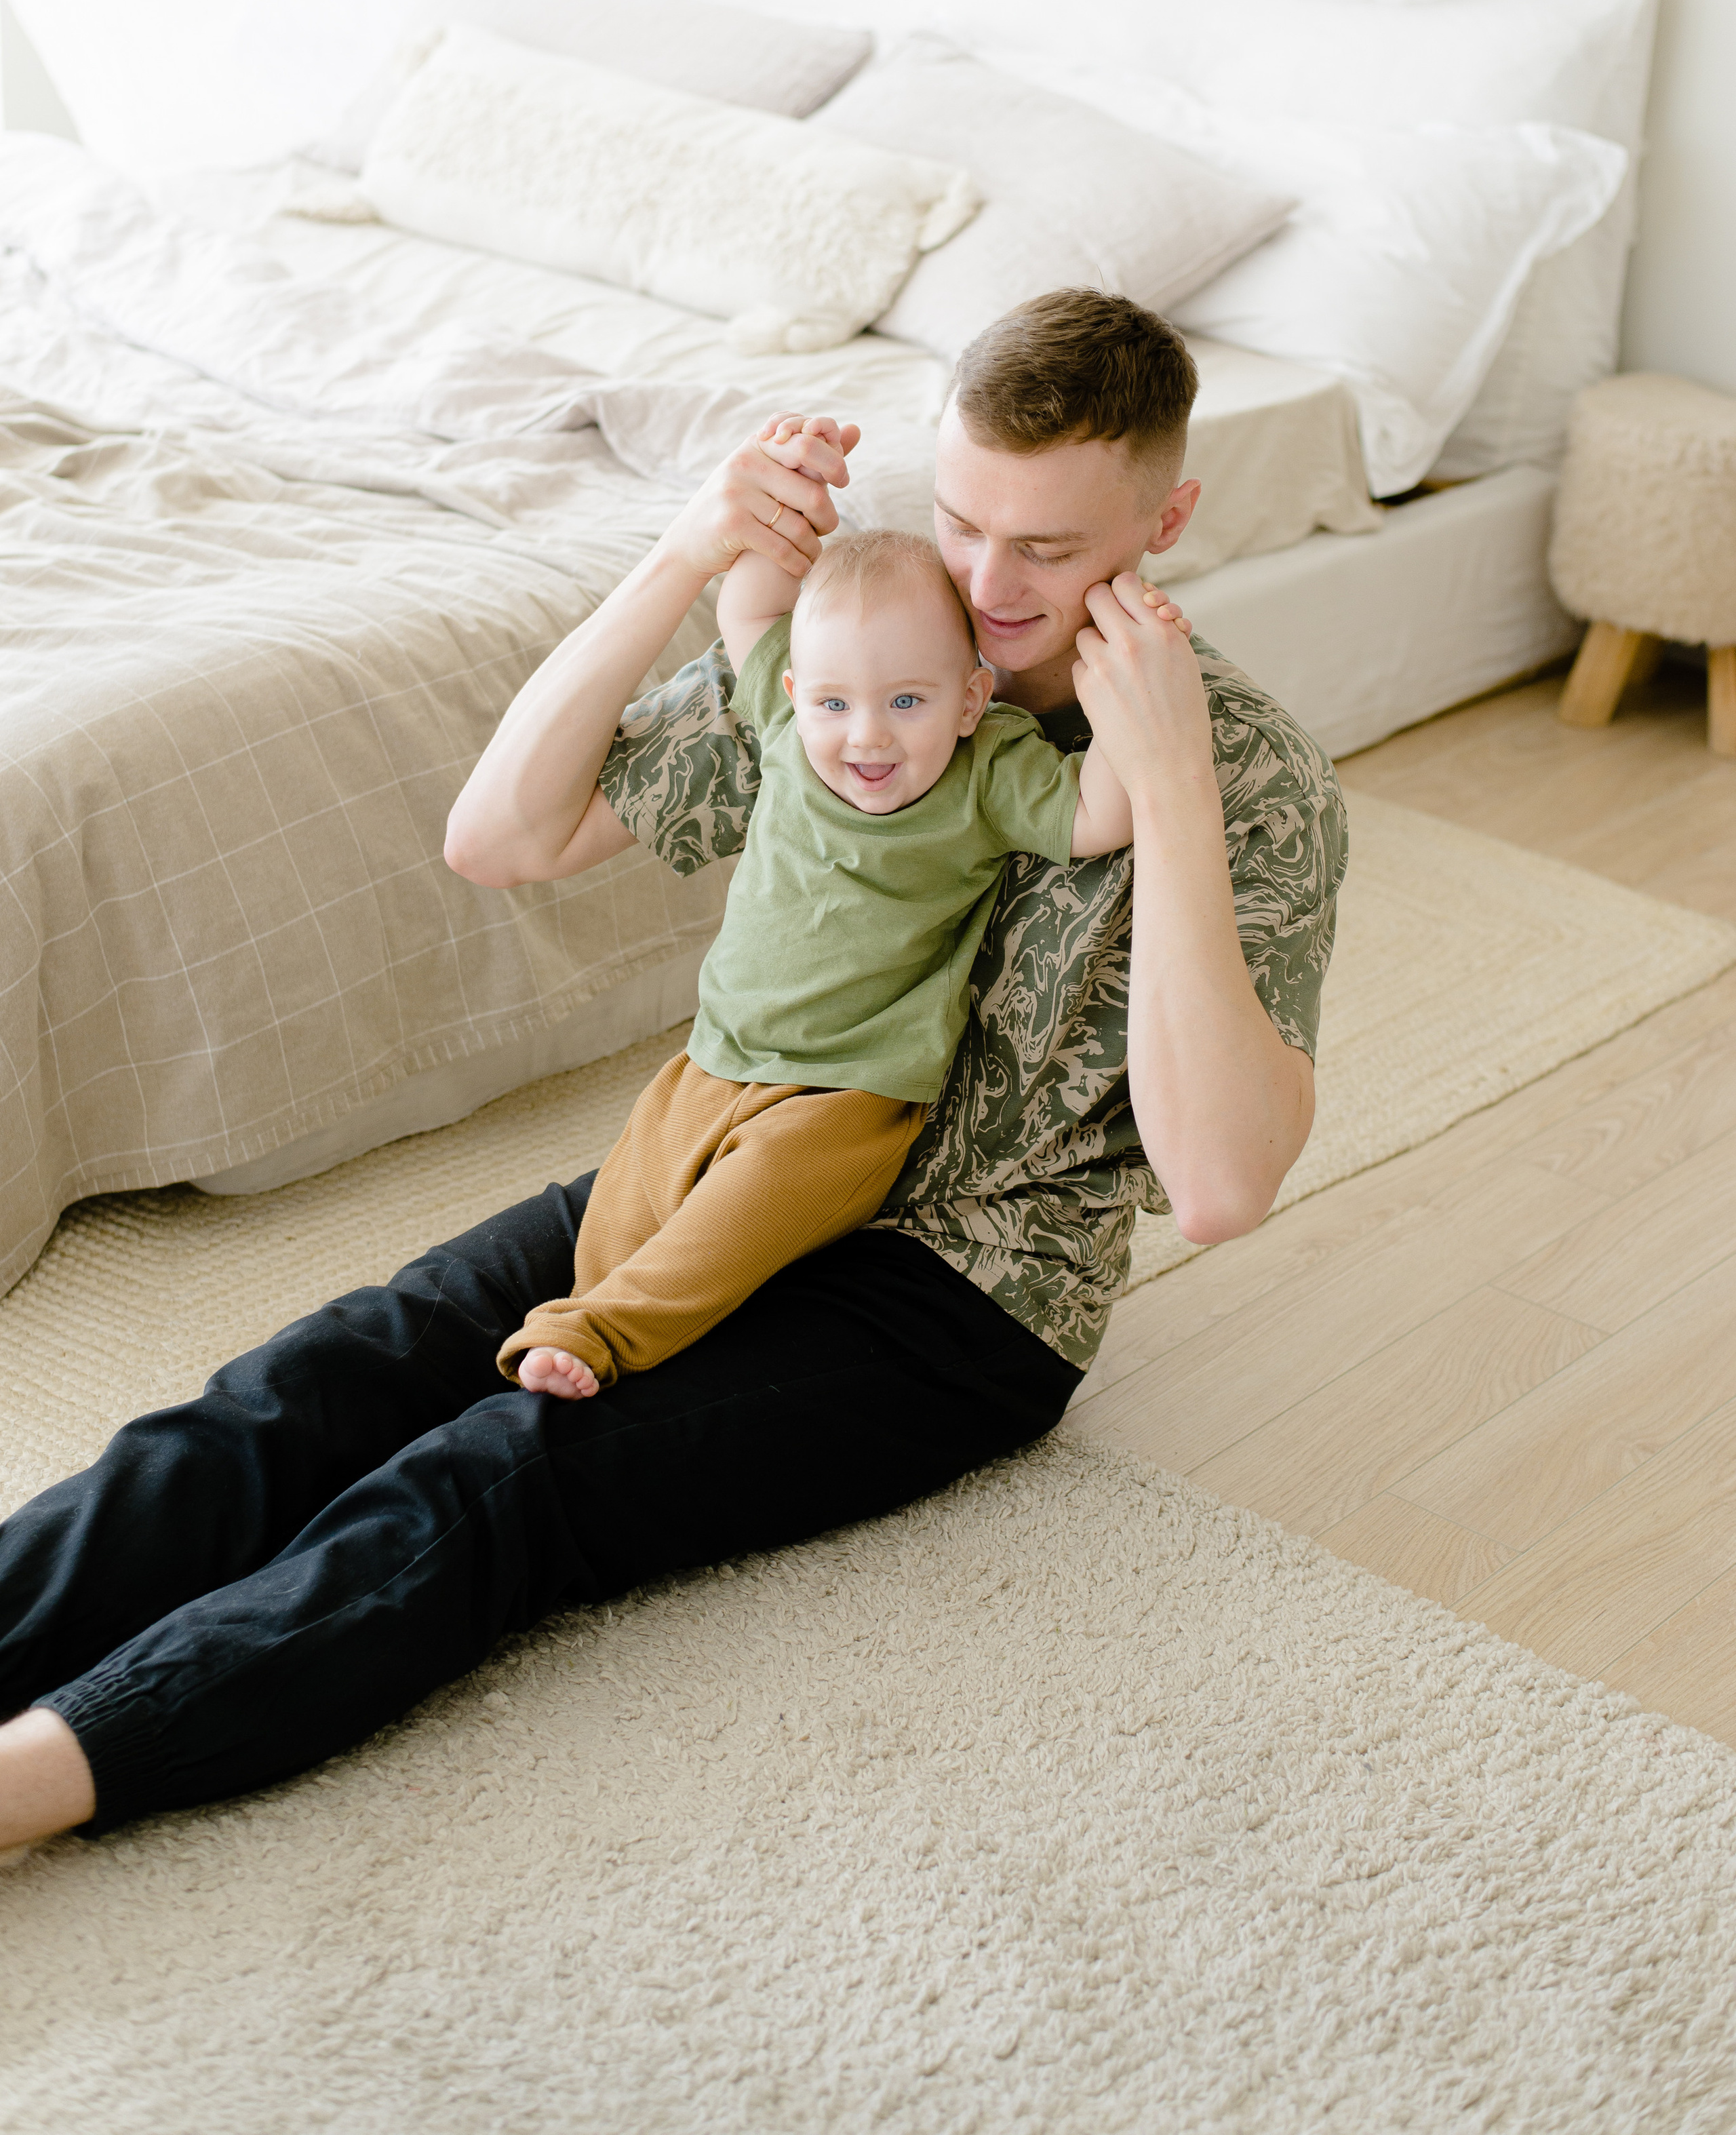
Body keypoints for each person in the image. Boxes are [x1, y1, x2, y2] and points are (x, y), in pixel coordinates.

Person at [0, 288, 1345, 1855]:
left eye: (1045, 550)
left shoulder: (1249, 776)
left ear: (1164, 521)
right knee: (318, 1381)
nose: (987, 586)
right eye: (962, 520)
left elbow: (1220, 1186)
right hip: (710, 1158)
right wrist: (680, 557)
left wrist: (1166, 786)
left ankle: (36, 1778)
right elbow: (502, 835)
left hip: (953, 1292)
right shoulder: (875, 666)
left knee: (503, 1474)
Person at [501, 501, 1142, 1403]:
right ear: (797, 691)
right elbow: (749, 606)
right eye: (835, 703)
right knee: (625, 1212)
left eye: (907, 701)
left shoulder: (988, 770)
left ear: (970, 699)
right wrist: (790, 478)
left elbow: (1098, 815)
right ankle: (587, 1322)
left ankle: (598, 1335)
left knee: (737, 1223)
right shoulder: (781, 721)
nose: (867, 735)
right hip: (716, 1057)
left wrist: (1129, 689)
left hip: (849, 1092)